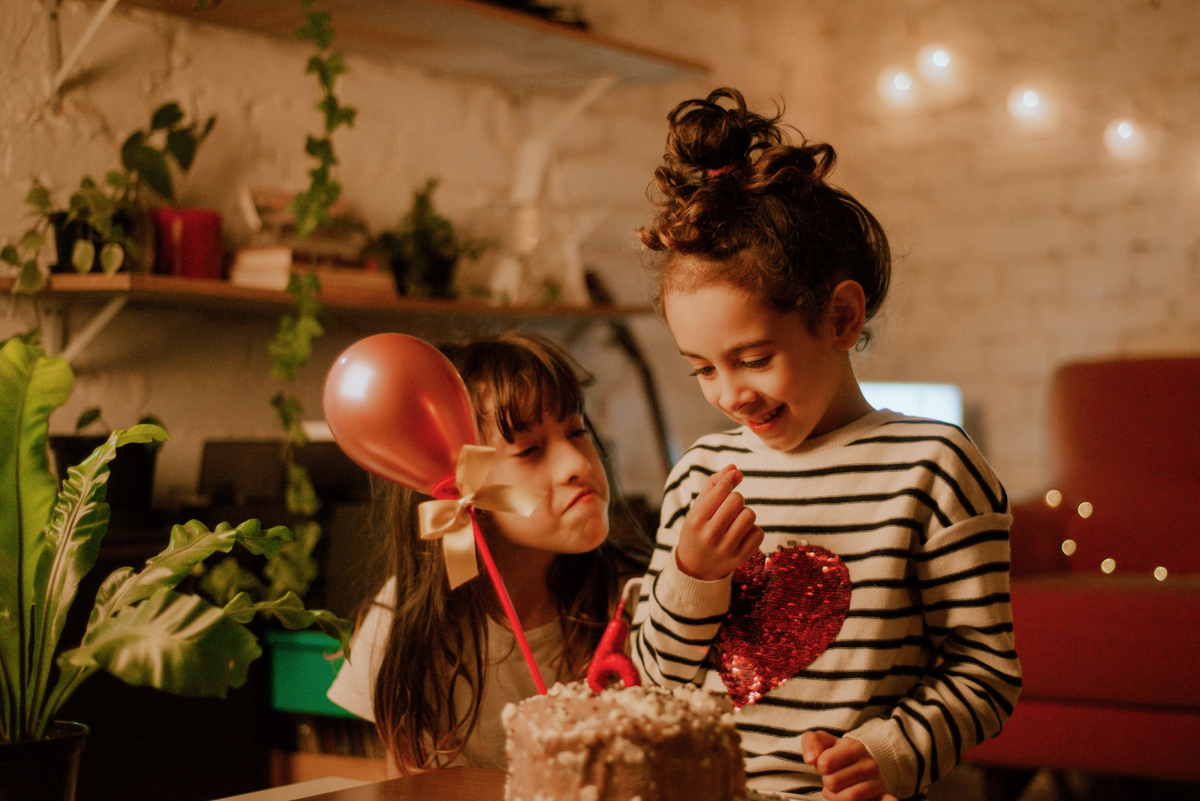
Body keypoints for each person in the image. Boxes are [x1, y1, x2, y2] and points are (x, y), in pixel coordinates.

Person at [630, 87, 1020, 801]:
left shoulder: (933, 469)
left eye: (752, 358)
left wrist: (891, 750)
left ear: (840, 317)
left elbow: (984, 671)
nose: (728, 394)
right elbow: (656, 675)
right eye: (702, 369)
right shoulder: (699, 475)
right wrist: (691, 572)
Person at [327, 332, 651, 775]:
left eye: (577, 432)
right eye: (530, 450)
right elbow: (405, 787)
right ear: (458, 480)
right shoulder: (406, 620)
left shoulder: (640, 603)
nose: (577, 464)